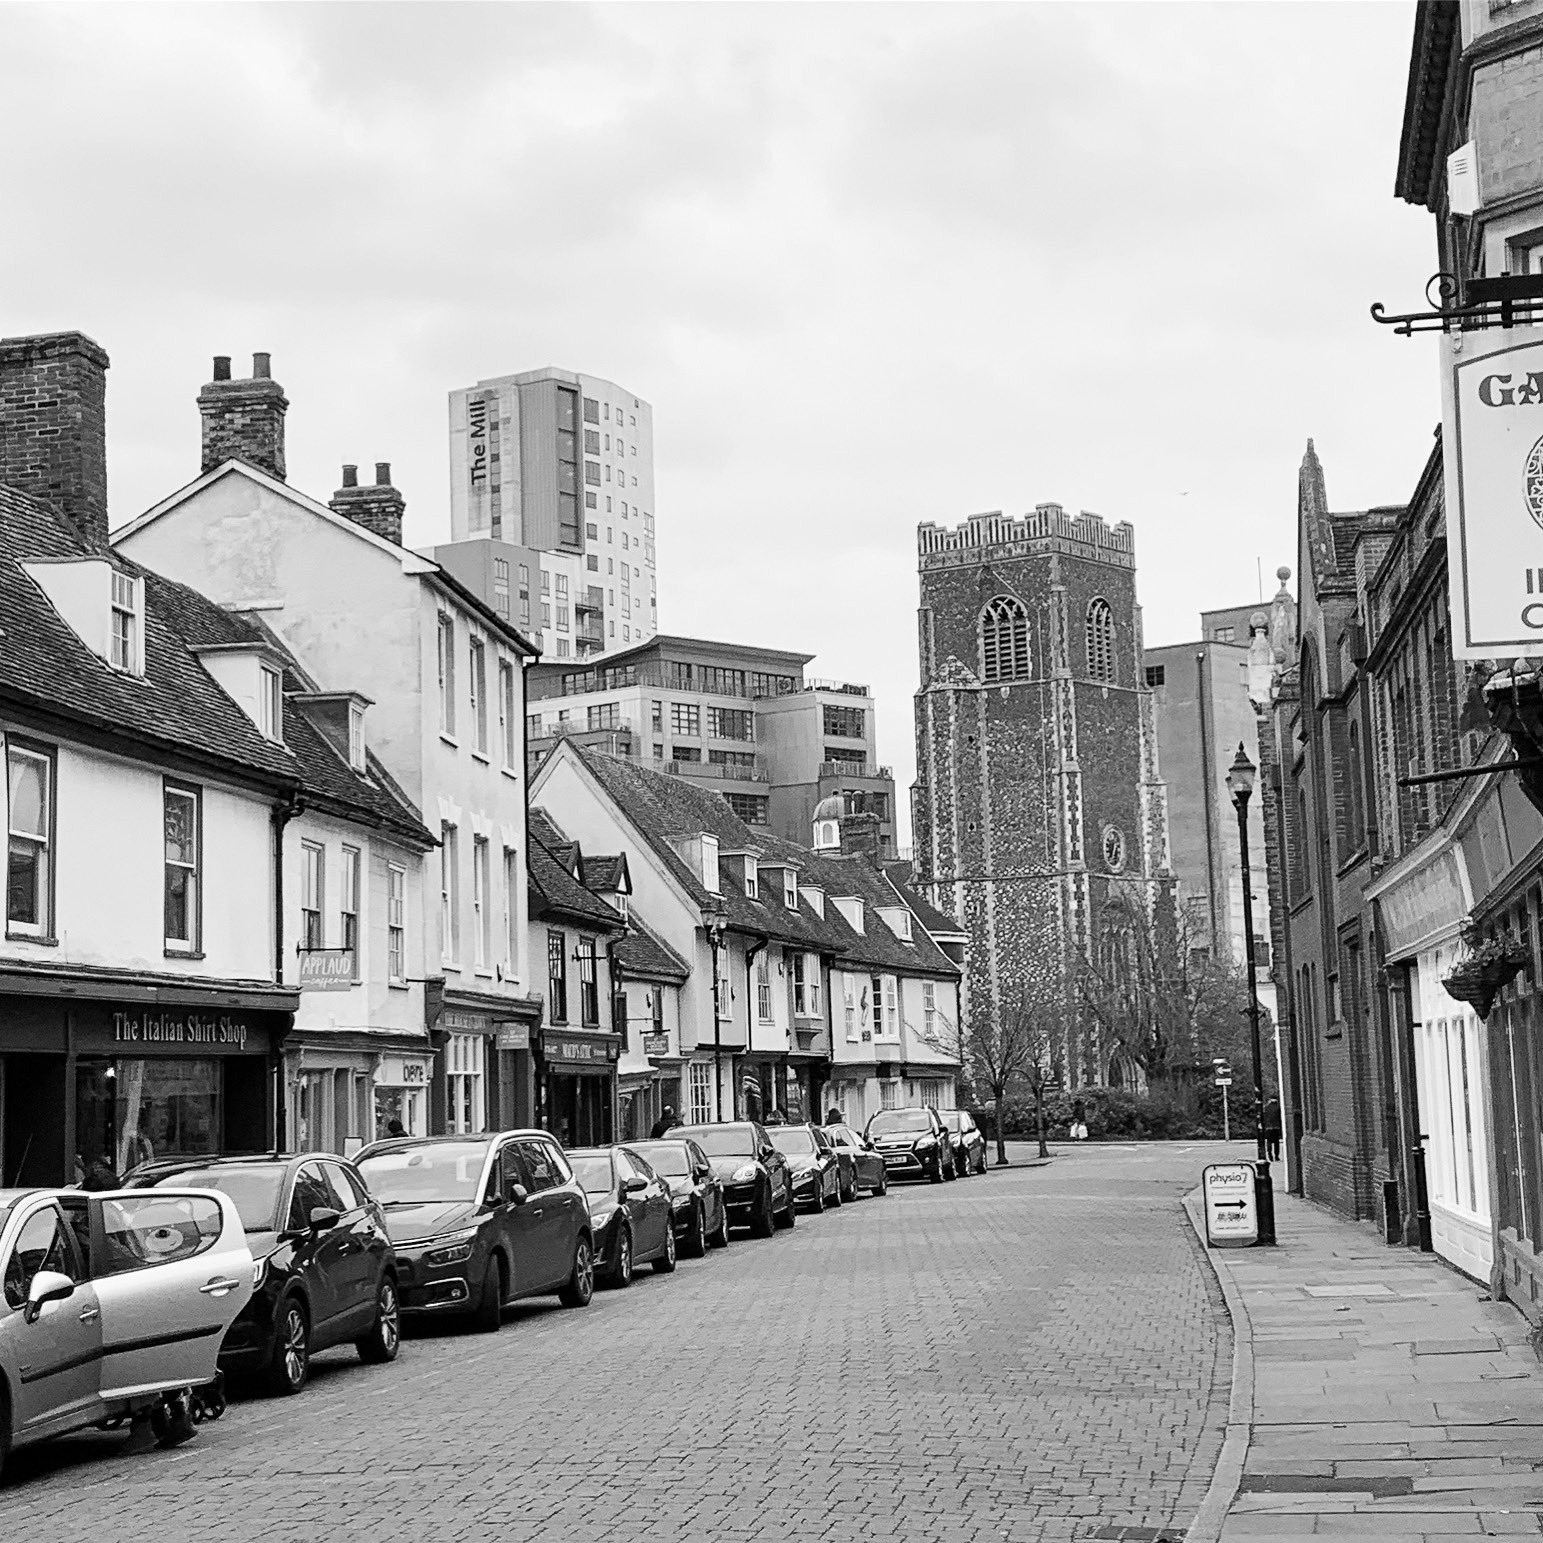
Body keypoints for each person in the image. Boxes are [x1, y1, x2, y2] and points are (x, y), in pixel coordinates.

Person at [1262, 1096, 1283, 1162]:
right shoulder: (1278, 1107)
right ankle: (1276, 1156)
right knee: (1276, 1142)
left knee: (1269, 1142)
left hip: (1268, 1127)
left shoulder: (1266, 1108)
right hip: (1276, 1127)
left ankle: (1270, 1155)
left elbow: (1263, 1118)